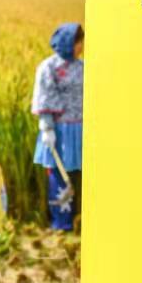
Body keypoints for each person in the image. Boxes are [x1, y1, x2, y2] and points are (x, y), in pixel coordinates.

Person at [31, 23, 85, 231]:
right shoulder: (49, 67)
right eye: (78, 43)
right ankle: (62, 223)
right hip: (59, 131)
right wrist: (47, 127)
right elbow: (45, 96)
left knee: (79, 175)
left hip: (81, 128)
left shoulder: (83, 66)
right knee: (59, 175)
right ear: (68, 43)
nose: (81, 47)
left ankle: (81, 218)